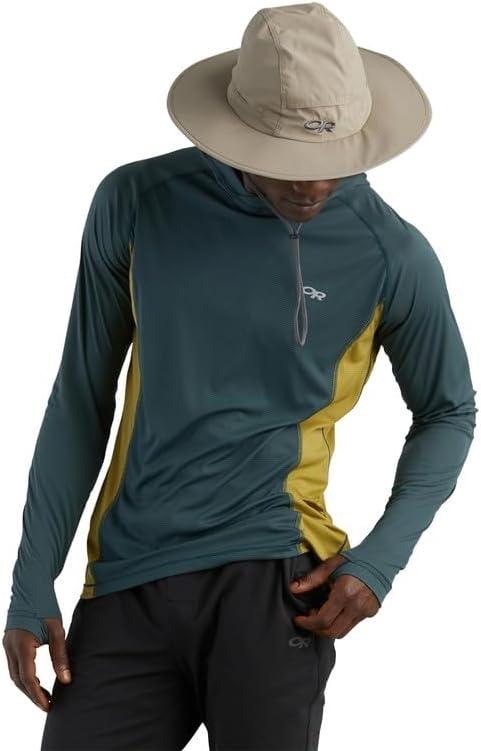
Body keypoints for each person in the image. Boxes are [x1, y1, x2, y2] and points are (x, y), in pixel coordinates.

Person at [3, 3, 477, 750]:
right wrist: (33, 579)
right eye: (285, 158)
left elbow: (449, 409)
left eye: (328, 157)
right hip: (127, 574)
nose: (310, 184)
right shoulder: (138, 203)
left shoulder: (392, 254)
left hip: (276, 579)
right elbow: (80, 396)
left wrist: (382, 559)